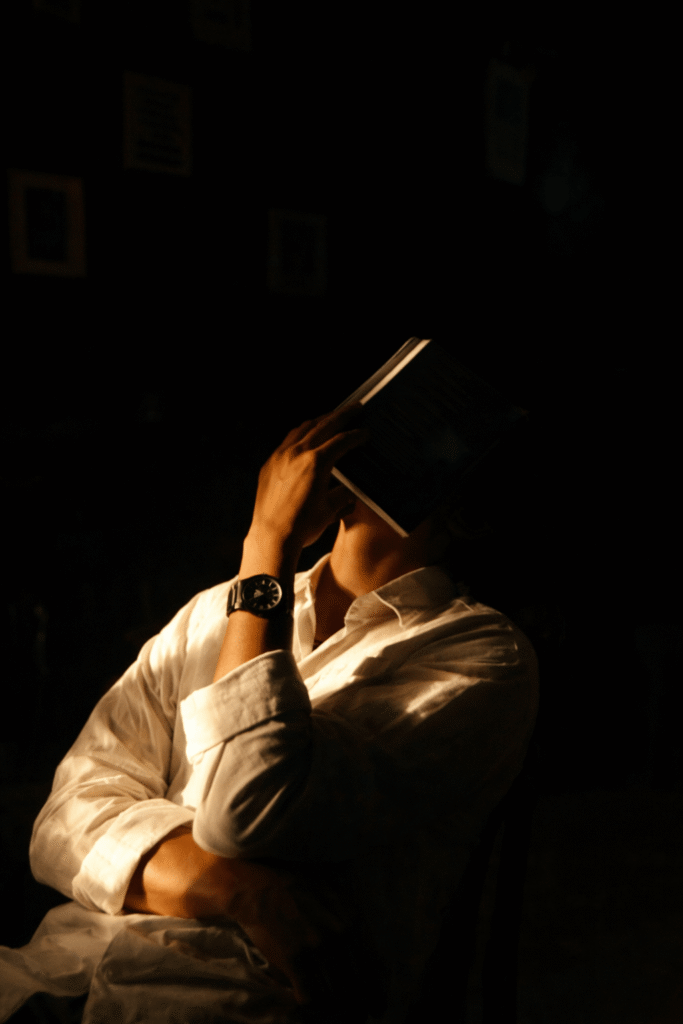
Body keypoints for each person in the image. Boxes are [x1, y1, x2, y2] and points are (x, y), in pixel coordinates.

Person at [0, 403, 539, 1024]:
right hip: (52, 978)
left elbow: (244, 814)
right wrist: (241, 891)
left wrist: (267, 544)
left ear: (466, 511)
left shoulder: (482, 656)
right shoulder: (212, 614)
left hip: (214, 1005)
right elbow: (64, 821)